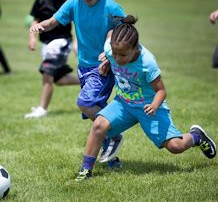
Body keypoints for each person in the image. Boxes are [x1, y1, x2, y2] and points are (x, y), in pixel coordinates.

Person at [75, 15, 217, 181]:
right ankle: (86, 170)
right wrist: (108, 61)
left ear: (136, 49)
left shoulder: (147, 63)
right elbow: (111, 36)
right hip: (124, 104)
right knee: (99, 125)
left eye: (123, 55)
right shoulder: (111, 48)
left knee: (175, 146)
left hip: (149, 107)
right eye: (115, 54)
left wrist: (154, 106)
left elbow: (161, 90)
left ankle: (196, 136)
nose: (118, 59)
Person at [30, 0, 125, 167]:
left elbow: (123, 31)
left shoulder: (111, 7)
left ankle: (114, 133)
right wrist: (40, 26)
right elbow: (54, 21)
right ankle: (113, 158)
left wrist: (110, 54)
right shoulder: (74, 3)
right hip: (83, 67)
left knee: (85, 103)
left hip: (102, 67)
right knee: (95, 108)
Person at [24, 0, 79, 119]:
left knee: (47, 73)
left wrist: (75, 43)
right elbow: (35, 19)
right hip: (46, 44)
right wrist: (32, 38)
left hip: (61, 43)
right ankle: (86, 81)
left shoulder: (68, 1)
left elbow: (77, 23)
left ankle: (42, 108)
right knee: (59, 79)